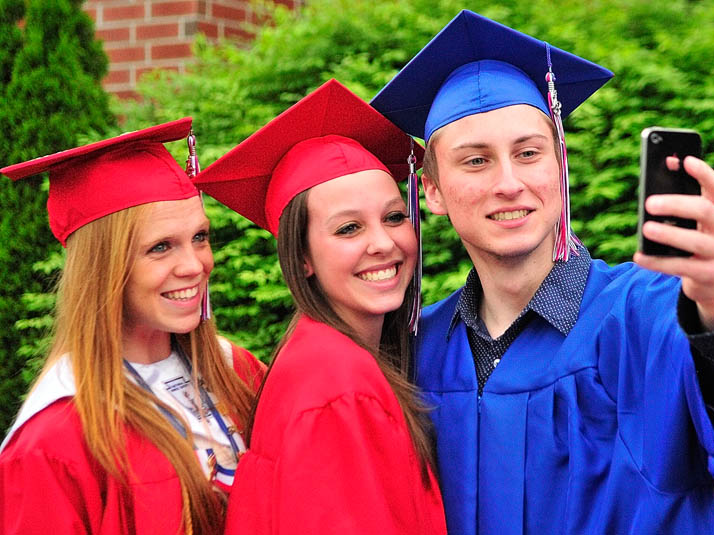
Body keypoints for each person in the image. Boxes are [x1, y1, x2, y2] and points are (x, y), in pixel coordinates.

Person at [371, 10, 714, 534]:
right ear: (432, 191)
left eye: (528, 153)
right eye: (475, 161)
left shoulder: (646, 313)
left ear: (560, 165)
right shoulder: (417, 349)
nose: (509, 182)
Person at [192, 79, 447, 535]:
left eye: (393, 216)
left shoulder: (329, 356)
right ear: (302, 257)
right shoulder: (338, 386)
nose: (384, 243)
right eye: (349, 228)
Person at [0, 119, 265, 535]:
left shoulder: (236, 370)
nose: (195, 265)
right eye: (161, 247)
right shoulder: (55, 438)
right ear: (103, 268)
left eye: (199, 237)